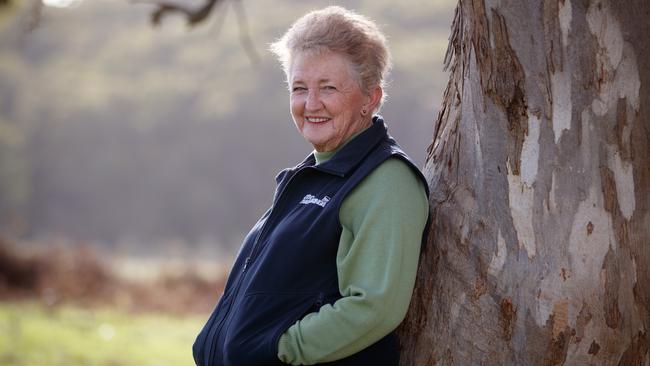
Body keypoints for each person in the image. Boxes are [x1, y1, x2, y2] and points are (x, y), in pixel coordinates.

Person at [193, 6, 429, 366]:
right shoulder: (312, 176)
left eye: (329, 88)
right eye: (299, 88)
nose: (311, 104)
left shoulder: (386, 181)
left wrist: (279, 350)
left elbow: (375, 307)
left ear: (371, 98)